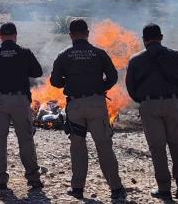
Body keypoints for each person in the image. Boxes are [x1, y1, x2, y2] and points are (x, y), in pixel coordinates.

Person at [50, 18, 126, 200]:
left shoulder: (64, 54)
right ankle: (116, 189)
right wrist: (101, 87)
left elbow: (55, 81)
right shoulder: (99, 53)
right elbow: (113, 76)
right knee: (104, 146)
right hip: (97, 104)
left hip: (75, 106)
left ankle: (77, 189)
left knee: (77, 147)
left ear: (70, 35)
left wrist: (66, 82)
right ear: (87, 33)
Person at [126, 23, 178, 201]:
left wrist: (144, 101)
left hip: (149, 105)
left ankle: (164, 189)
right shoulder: (176, 55)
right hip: (174, 103)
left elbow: (131, 88)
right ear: (161, 37)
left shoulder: (135, 60)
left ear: (144, 40)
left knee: (157, 148)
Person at [0, 22, 44, 190]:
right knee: (25, 139)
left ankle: (1, 179)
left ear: (0, 37)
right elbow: (37, 72)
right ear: (15, 36)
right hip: (20, 101)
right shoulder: (24, 53)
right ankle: (33, 178)